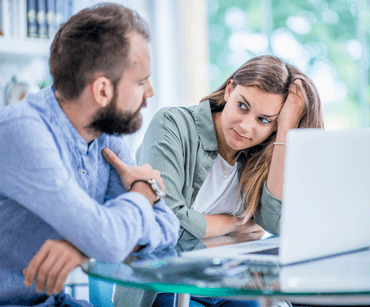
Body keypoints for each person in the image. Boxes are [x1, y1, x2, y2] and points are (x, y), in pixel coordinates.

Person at [0, 3, 179, 306]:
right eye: (139, 81)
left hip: (49, 301)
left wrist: (83, 244)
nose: (149, 92)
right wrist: (145, 190)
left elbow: (167, 229)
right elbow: (112, 237)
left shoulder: (103, 134)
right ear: (102, 91)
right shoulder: (22, 132)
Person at [118, 55, 324, 307]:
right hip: (169, 286)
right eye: (242, 106)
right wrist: (235, 226)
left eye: (264, 120)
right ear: (229, 90)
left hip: (234, 285)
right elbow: (168, 225)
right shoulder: (171, 124)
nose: (246, 127)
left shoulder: (259, 155)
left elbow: (277, 224)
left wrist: (285, 129)